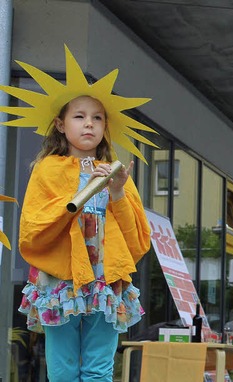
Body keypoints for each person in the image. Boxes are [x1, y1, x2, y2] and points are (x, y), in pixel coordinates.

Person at [0, 45, 156, 382]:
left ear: (106, 126)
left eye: (97, 117)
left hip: (106, 277)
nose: (89, 124)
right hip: (61, 278)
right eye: (79, 116)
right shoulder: (47, 169)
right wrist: (73, 199)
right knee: (63, 367)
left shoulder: (116, 172)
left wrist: (116, 192)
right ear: (60, 124)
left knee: (99, 369)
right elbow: (32, 227)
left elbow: (137, 239)